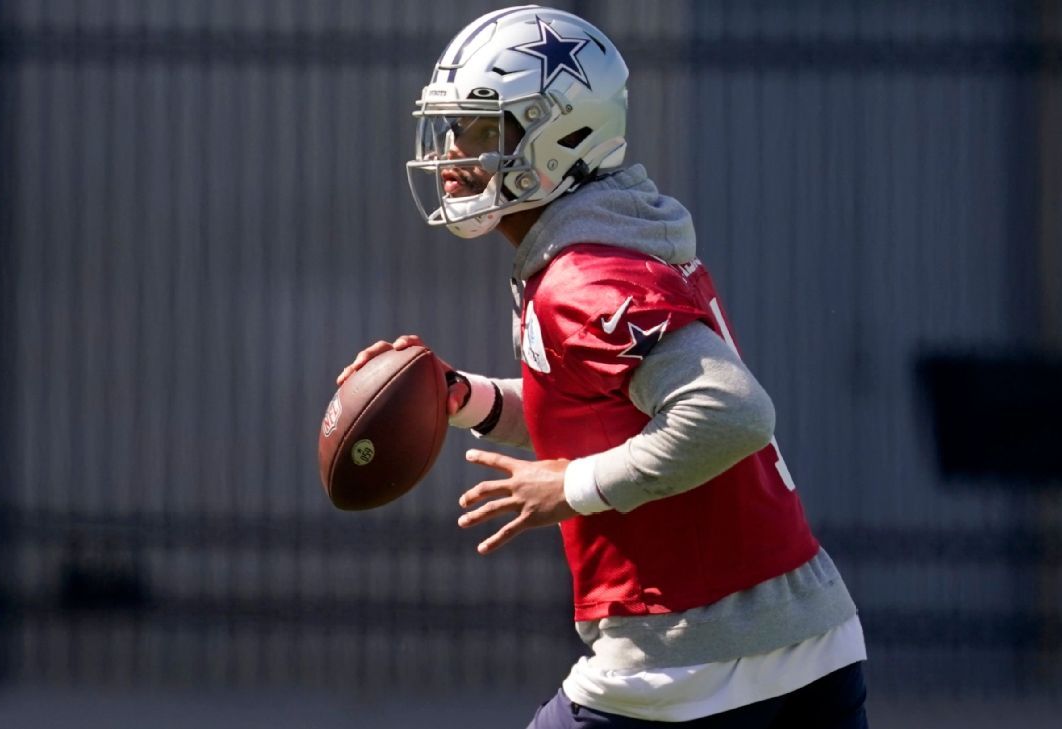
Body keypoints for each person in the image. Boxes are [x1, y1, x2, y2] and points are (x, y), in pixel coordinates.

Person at [337, 6, 868, 727]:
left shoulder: (583, 278)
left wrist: (573, 485)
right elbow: (603, 410)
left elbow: (733, 411)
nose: (453, 155)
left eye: (481, 131)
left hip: (692, 651)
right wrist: (462, 397)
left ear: (560, 135)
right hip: (807, 634)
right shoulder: (591, 250)